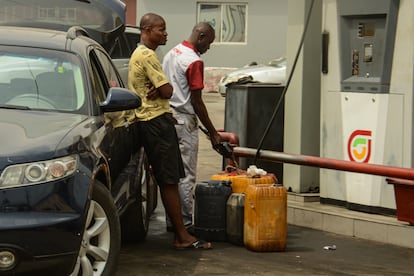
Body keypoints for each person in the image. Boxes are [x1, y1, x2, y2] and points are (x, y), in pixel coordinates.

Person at [128, 13, 212, 250]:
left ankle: (177, 227)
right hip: (158, 121)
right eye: (160, 29)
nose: (165, 33)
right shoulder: (154, 55)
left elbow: (163, 87)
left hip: (154, 119)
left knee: (170, 178)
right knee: (174, 178)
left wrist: (163, 87)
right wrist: (164, 88)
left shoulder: (169, 53)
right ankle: (183, 232)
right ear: (146, 30)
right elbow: (167, 90)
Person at [162, 22, 222, 230]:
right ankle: (185, 225)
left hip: (168, 118)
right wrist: (213, 133)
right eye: (209, 42)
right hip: (185, 120)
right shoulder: (194, 61)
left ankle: (173, 221)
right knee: (186, 175)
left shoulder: (172, 53)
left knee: (171, 174)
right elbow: (197, 102)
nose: (208, 48)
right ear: (202, 36)